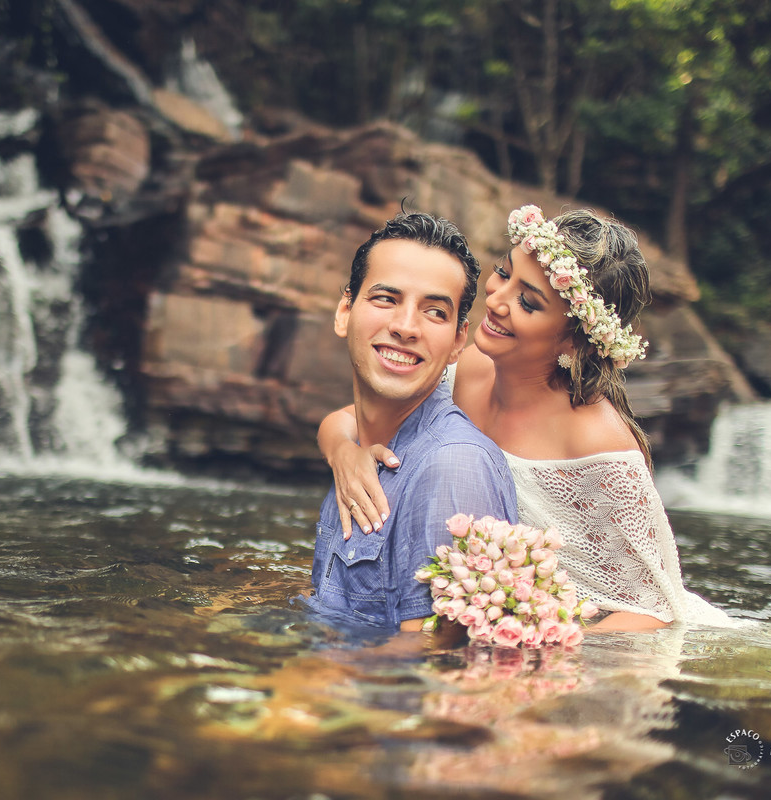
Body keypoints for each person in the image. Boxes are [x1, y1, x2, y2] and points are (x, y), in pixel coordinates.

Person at [319, 205, 732, 631]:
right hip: (485, 606)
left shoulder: (596, 440)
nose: (496, 301)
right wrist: (343, 454)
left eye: (529, 302)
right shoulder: (469, 368)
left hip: (595, 643)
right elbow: (352, 417)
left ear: (574, 340)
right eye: (504, 273)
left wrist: (535, 644)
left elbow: (654, 612)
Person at [304, 212, 518, 633]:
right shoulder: (359, 455)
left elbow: (439, 660)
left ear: (459, 340)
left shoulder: (451, 467)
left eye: (435, 312)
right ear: (345, 310)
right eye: (386, 299)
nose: (404, 327)